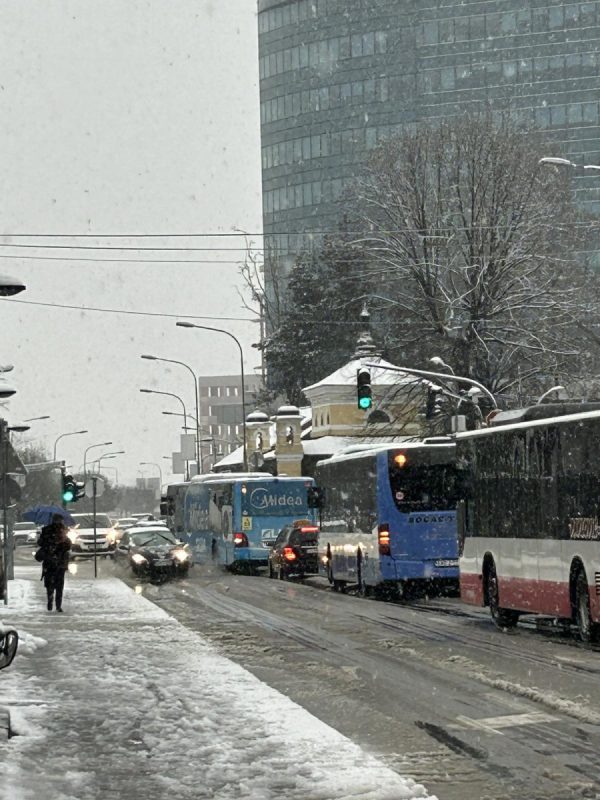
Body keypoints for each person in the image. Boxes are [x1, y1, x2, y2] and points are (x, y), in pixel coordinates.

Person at [38, 514, 71, 612]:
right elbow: (68, 546)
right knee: (59, 585)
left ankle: (51, 599)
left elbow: (40, 543)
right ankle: (57, 605)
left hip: (50, 561)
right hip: (59, 562)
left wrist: (48, 543)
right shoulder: (63, 531)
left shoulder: (46, 530)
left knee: (50, 583)